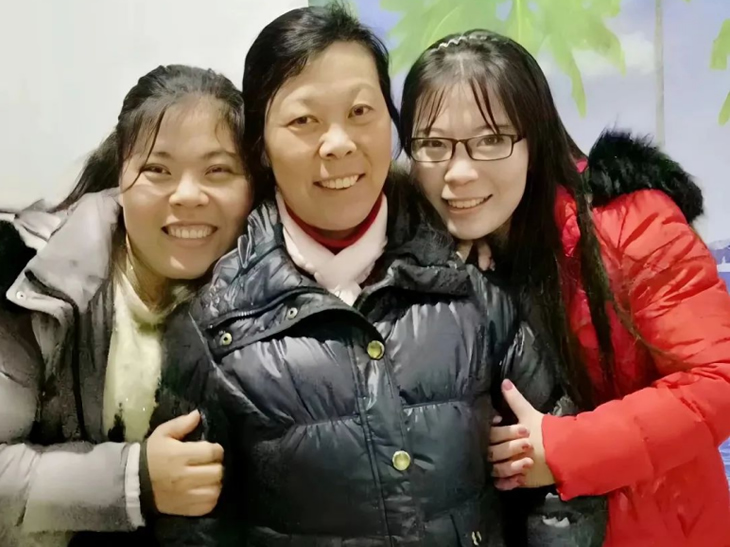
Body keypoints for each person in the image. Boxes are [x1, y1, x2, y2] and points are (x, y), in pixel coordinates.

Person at [152, 5, 557, 546]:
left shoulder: (469, 284)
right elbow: (191, 531)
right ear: (261, 147)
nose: (339, 142)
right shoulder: (214, 329)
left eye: (361, 111)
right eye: (304, 121)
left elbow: (558, 476)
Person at [401, 29, 730, 546]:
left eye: (491, 140)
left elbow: (716, 381)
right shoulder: (420, 254)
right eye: (434, 145)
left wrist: (565, 448)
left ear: (535, 140)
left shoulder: (631, 227)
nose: (459, 172)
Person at [0, 65, 254, 547]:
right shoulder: (33, 279)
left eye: (217, 170)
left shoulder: (272, 294)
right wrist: (134, 481)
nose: (187, 195)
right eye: (158, 170)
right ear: (122, 173)